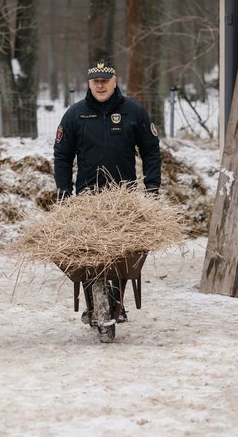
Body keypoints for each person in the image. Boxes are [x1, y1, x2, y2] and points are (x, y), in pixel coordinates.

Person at [53, 59, 162, 326]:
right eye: (95, 81)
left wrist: (152, 188)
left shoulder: (134, 112)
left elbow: (151, 151)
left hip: (124, 200)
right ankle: (93, 304)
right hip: (88, 199)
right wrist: (64, 191)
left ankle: (118, 302)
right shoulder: (75, 115)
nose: (100, 86)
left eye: (105, 81)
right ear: (89, 84)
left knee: (122, 255)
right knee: (89, 255)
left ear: (115, 82)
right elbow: (62, 155)